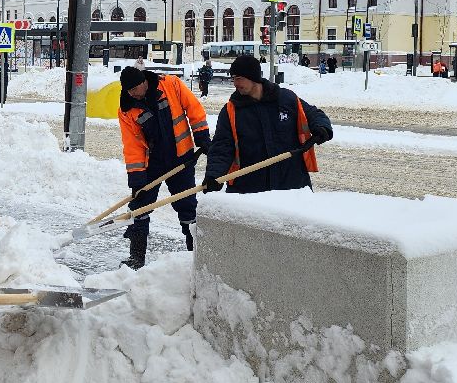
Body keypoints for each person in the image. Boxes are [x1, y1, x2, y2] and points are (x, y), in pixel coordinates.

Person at [118, 66, 209, 268]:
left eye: (134, 89)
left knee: (187, 206)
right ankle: (136, 257)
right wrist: (136, 177)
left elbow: (193, 108)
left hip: (181, 158)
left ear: (144, 82)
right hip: (153, 163)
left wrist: (201, 134)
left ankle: (195, 255)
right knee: (140, 206)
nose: (132, 94)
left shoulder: (170, 85)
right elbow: (132, 145)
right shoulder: (127, 109)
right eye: (128, 91)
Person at [203, 54, 332, 195]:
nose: (235, 83)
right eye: (233, 78)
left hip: (292, 185)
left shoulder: (286, 99)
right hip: (250, 190)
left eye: (239, 78)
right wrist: (214, 175)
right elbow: (221, 146)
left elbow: (314, 114)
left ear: (253, 77)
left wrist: (322, 127)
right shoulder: (231, 111)